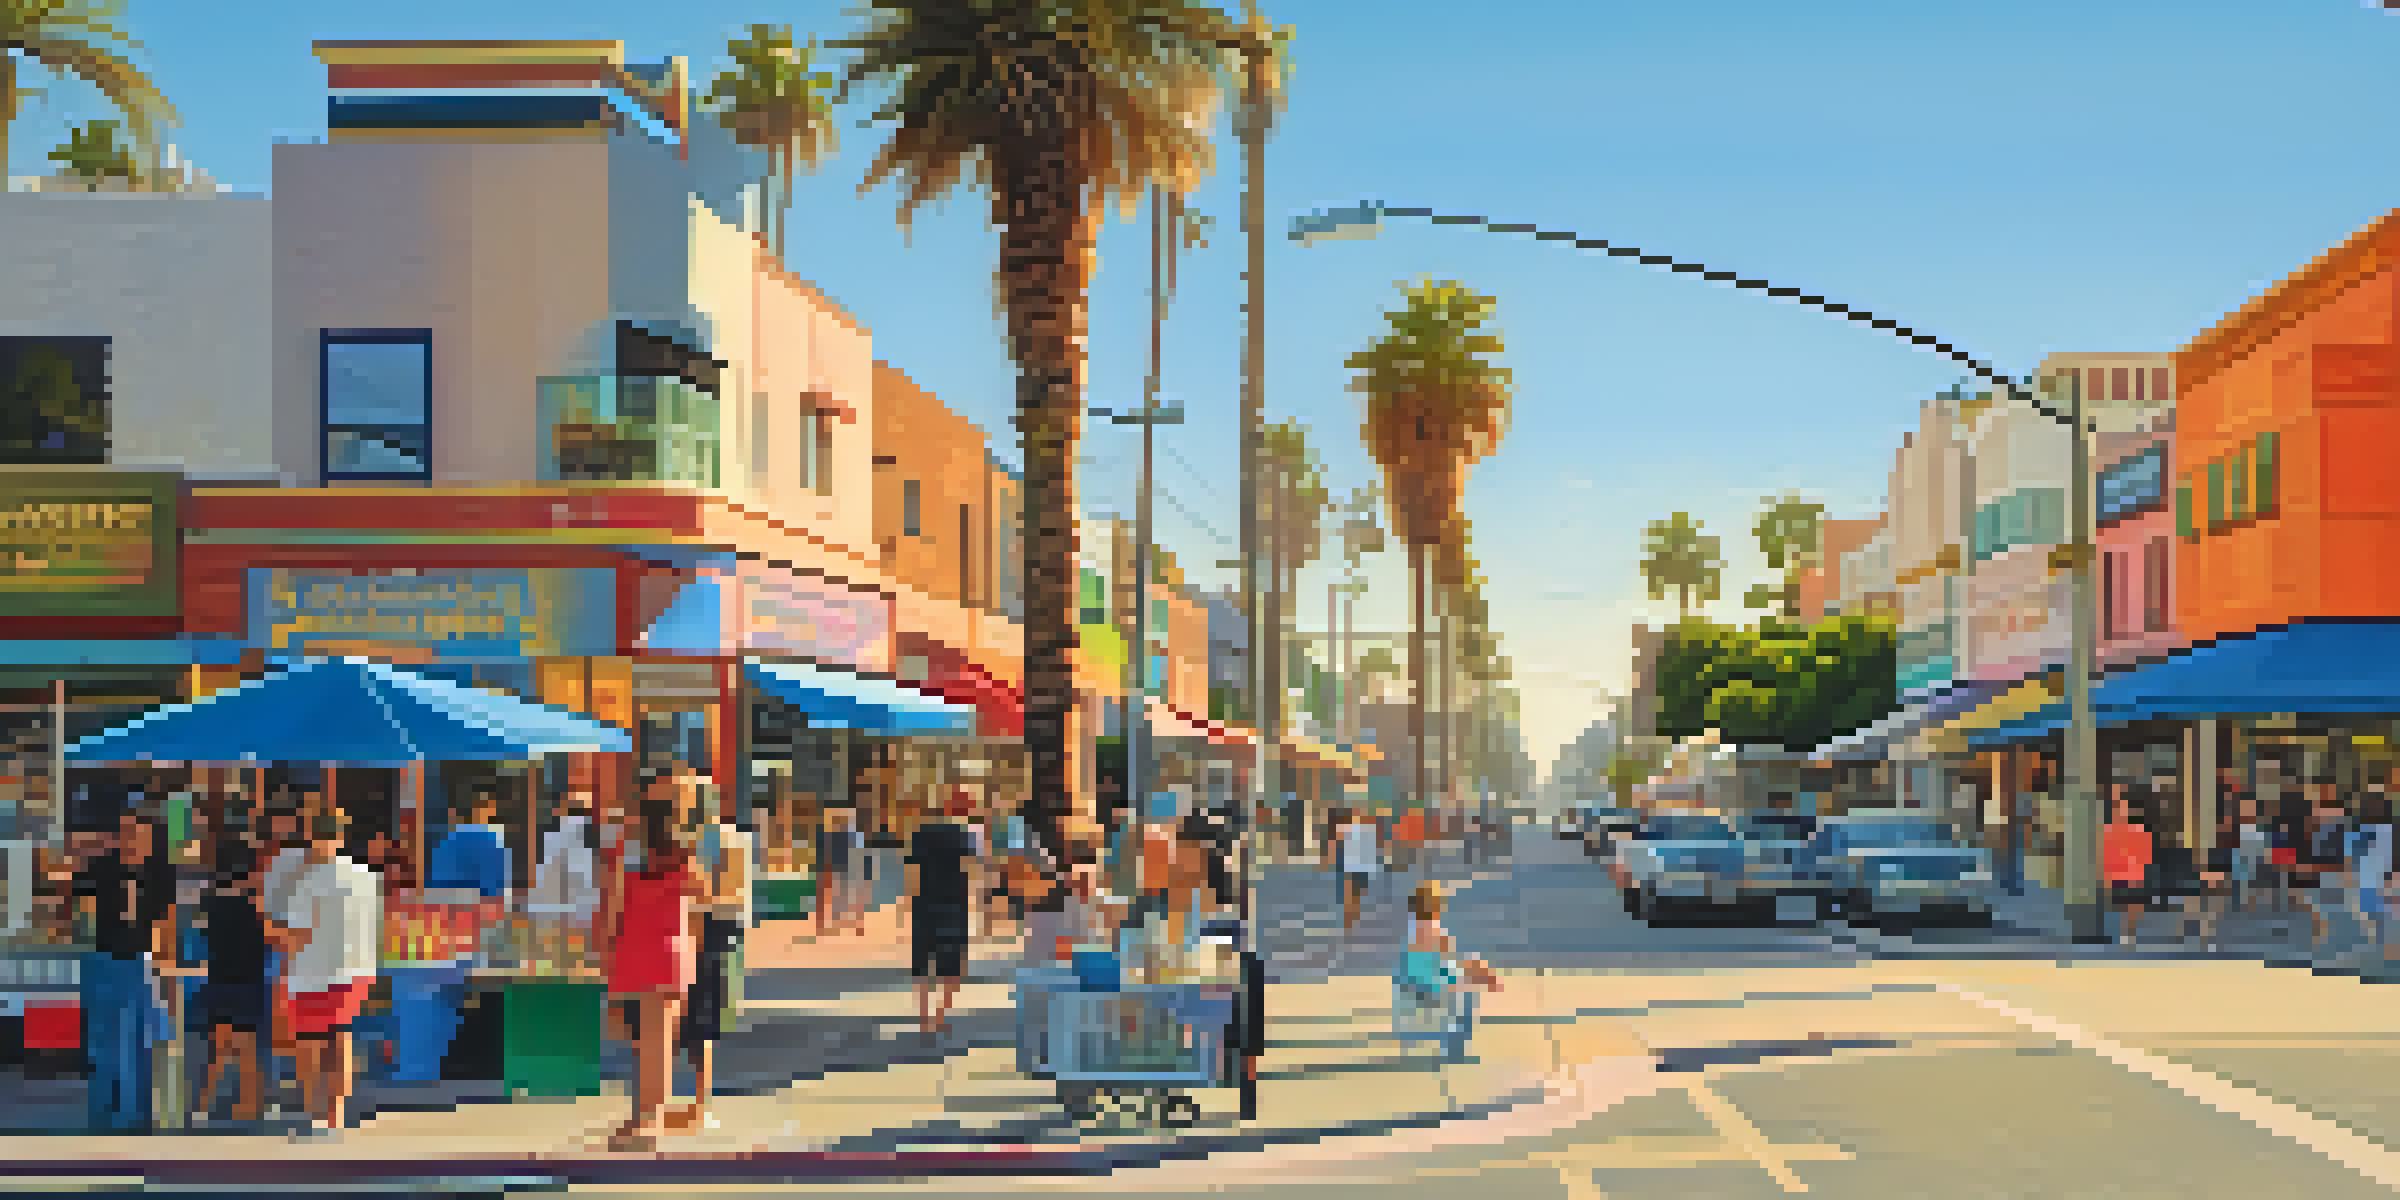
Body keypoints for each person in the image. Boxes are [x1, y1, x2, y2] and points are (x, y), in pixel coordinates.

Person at [599, 773, 702, 1151]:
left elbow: (612, 904)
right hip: (672, 947)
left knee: (644, 1041)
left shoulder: (624, 849)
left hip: (635, 945)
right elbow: (700, 895)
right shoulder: (685, 850)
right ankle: (646, 1115)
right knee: (660, 1039)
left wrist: (607, 945)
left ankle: (645, 1117)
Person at [71, 805, 179, 1131]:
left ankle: (134, 1117)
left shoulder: (160, 872)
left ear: (148, 837)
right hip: (102, 960)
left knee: (137, 1041)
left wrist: (165, 965)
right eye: (126, 832)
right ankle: (102, 1114)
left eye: (138, 833)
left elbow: (167, 921)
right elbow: (78, 906)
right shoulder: (101, 867)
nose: (131, 839)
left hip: (140, 962)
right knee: (103, 1042)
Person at [282, 808, 382, 1138]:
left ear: (311, 836)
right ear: (340, 836)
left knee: (311, 1045)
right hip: (356, 969)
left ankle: (315, 1118)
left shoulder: (307, 880)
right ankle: (336, 1115)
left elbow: (297, 935)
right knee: (341, 1040)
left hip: (313, 971)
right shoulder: (367, 876)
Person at [674, 781, 752, 1135]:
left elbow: (720, 896)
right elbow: (741, 901)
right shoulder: (733, 838)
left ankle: (695, 1104)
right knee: (702, 1020)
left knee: (694, 1019)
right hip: (719, 931)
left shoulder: (699, 843)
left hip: (703, 930)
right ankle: (696, 1104)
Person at [195, 841, 270, 1124]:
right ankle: (251, 1106)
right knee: (248, 1049)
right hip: (248, 982)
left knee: (220, 1048)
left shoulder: (211, 904)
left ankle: (204, 1106)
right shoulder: (255, 905)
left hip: (219, 981)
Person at [904, 789, 981, 1037]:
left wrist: (908, 905)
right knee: (953, 967)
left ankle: (925, 1017)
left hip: (925, 904)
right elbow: (972, 871)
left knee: (923, 965)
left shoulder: (920, 832)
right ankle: (940, 1014)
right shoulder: (965, 836)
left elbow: (912, 873)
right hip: (954, 905)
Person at [529, 789, 602, 965]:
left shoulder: (555, 839)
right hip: (576, 923)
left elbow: (549, 888)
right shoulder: (582, 839)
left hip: (560, 923)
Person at [2102, 784, 2154, 950]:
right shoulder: (2107, 831)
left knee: (2130, 909)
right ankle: (2124, 937)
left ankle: (2128, 936)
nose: (2120, 810)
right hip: (2117, 877)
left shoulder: (2138, 831)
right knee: (2120, 909)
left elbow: (2146, 857)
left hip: (2132, 877)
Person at [814, 807, 864, 938]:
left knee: (845, 897)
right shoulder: (827, 835)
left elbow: (856, 853)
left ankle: (855, 925)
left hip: (842, 868)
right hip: (834, 868)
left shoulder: (849, 834)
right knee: (833, 897)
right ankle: (827, 925)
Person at [1336, 809, 1381, 934]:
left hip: (1357, 868)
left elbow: (1370, 850)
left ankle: (1351, 921)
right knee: (1352, 896)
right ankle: (1351, 921)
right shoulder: (1350, 828)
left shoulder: (1367, 829)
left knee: (1353, 896)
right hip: (1353, 868)